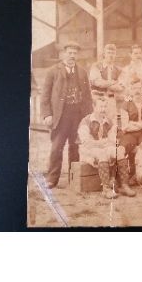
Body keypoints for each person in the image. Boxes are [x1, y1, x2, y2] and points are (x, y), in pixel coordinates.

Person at [40, 41, 92, 189]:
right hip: (60, 116)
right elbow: (45, 96)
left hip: (78, 115)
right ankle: (52, 178)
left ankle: (73, 177)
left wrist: (88, 117)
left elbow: (87, 96)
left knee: (75, 147)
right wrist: (47, 115)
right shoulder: (53, 71)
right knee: (57, 147)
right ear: (63, 54)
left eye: (75, 53)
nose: (72, 56)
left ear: (78, 55)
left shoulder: (82, 72)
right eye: (69, 53)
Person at [78, 94, 136, 199]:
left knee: (119, 151)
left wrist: (108, 143)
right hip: (88, 149)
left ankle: (124, 185)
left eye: (105, 107)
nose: (103, 110)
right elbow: (86, 142)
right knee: (102, 154)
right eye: (100, 107)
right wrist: (102, 143)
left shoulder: (109, 121)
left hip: (104, 147)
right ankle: (106, 189)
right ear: (94, 107)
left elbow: (112, 139)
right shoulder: (86, 121)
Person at [118, 78, 142, 179]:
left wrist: (133, 123)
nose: (137, 91)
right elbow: (125, 127)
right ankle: (125, 178)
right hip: (129, 134)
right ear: (130, 90)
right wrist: (141, 124)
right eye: (134, 88)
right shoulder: (125, 104)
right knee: (121, 149)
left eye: (139, 88)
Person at [89, 43, 125, 113]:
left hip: (112, 100)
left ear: (115, 55)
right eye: (108, 53)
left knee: (110, 120)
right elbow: (98, 83)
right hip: (98, 98)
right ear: (104, 54)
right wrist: (114, 82)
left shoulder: (119, 70)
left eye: (113, 53)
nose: (110, 55)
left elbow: (121, 87)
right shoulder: (96, 66)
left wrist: (105, 83)